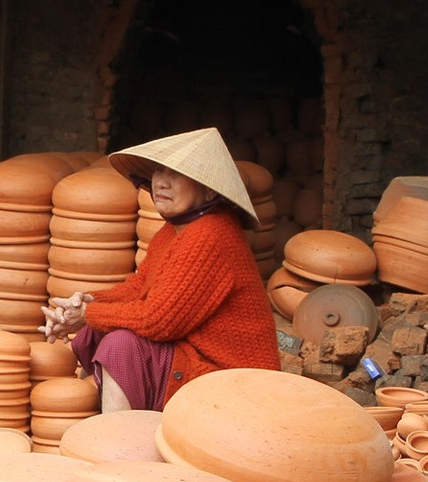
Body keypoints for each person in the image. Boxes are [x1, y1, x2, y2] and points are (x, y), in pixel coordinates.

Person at [42, 127, 278, 412]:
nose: (161, 183)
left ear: (209, 187)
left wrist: (89, 315)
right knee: (96, 331)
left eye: (176, 174)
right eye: (158, 172)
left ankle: (120, 443)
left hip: (230, 379)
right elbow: (139, 288)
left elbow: (158, 321)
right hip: (196, 356)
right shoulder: (175, 230)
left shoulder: (211, 234)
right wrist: (85, 302)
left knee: (121, 346)